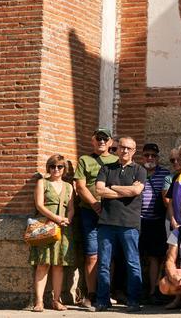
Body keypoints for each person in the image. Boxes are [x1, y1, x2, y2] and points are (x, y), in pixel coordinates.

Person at [92, 136, 148, 312]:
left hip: (130, 224)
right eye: (122, 147)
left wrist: (113, 187)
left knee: (132, 262)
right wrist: (126, 191)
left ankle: (134, 300)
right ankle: (102, 300)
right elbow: (99, 190)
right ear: (117, 149)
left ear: (134, 151)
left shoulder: (139, 170)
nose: (124, 151)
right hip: (107, 222)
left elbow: (136, 190)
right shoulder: (106, 168)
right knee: (104, 263)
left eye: (128, 148)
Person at [73, 128, 116, 306]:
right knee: (92, 254)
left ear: (111, 142)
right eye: (98, 138)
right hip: (89, 212)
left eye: (105, 138)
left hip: (112, 212)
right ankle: (91, 294)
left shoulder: (116, 160)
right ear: (92, 140)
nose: (101, 141)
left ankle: (105, 292)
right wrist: (94, 204)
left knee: (110, 255)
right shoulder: (85, 160)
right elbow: (80, 186)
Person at [31, 154, 75, 312]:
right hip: (45, 226)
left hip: (63, 229)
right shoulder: (42, 183)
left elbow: (71, 208)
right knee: (42, 264)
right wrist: (57, 218)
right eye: (52, 166)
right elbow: (39, 205)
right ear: (48, 168)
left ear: (64, 169)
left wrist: (67, 219)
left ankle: (56, 300)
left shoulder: (69, 187)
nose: (56, 169)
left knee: (58, 266)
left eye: (60, 167)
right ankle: (39, 301)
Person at [137, 143, 171, 305]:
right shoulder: (136, 172)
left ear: (158, 157)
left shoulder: (165, 174)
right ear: (142, 156)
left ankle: (152, 292)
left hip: (157, 221)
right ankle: (136, 290)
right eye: (147, 155)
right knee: (135, 256)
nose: (150, 158)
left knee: (155, 258)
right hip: (137, 220)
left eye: (153, 155)